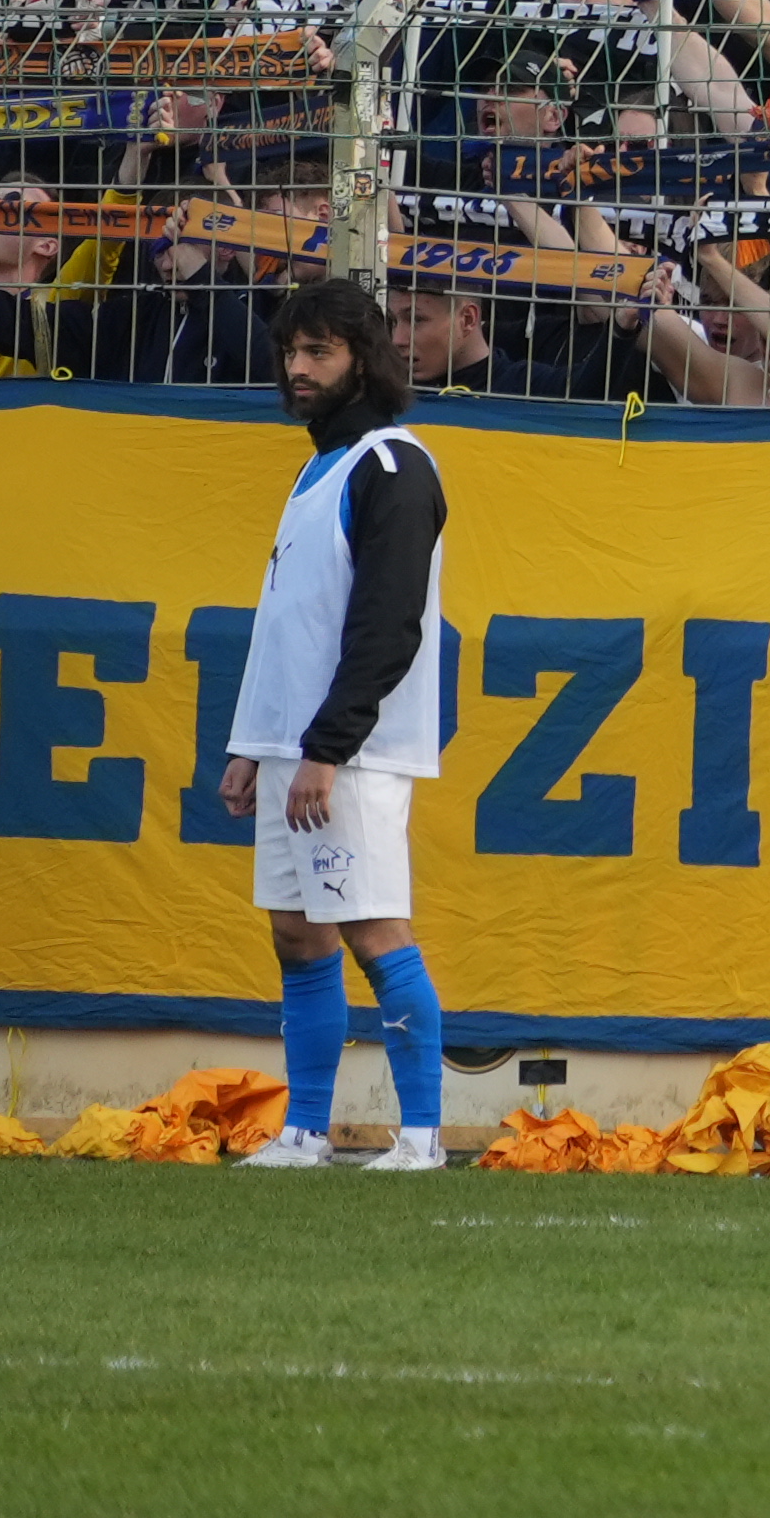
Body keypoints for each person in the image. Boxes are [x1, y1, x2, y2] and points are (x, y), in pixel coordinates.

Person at [220, 275, 454, 1172]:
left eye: (320, 351)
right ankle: (306, 1131)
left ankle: (422, 1137)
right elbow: (287, 621)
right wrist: (252, 745)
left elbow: (388, 625)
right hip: (293, 746)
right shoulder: (315, 469)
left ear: (366, 360)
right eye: (291, 351)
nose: (299, 368)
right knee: (297, 932)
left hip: (350, 754)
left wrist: (327, 747)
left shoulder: (392, 466)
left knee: (373, 930)